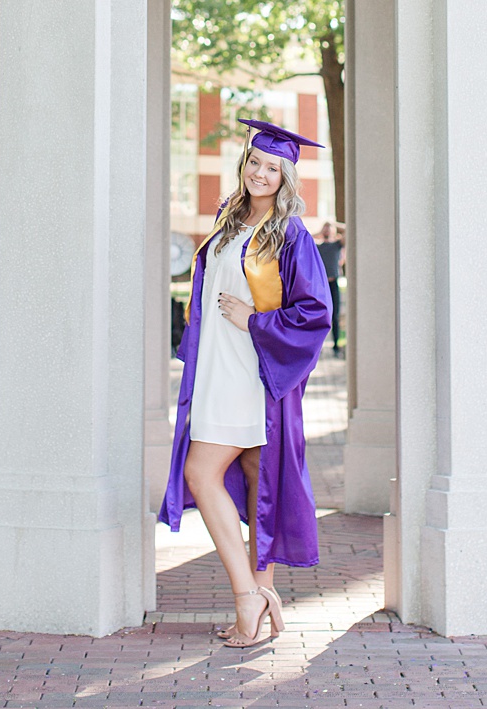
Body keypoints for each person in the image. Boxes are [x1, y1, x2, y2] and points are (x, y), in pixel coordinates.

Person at [160, 118, 332, 647]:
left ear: (286, 177)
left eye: (272, 167)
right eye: (255, 162)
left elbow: (315, 312)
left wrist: (252, 320)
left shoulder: (291, 235)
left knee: (201, 472)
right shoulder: (227, 220)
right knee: (260, 487)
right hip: (218, 369)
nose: (261, 173)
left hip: (253, 376)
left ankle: (246, 596)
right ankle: (259, 599)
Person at [316, 220, 344, 355]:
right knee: (320, 316)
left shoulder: (337, 245)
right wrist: (320, 232)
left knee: (335, 316)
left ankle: (336, 347)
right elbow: (304, 237)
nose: (327, 230)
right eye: (325, 228)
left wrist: (334, 224)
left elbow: (348, 231)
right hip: (321, 285)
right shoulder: (318, 247)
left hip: (334, 283)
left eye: (329, 229)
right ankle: (318, 347)